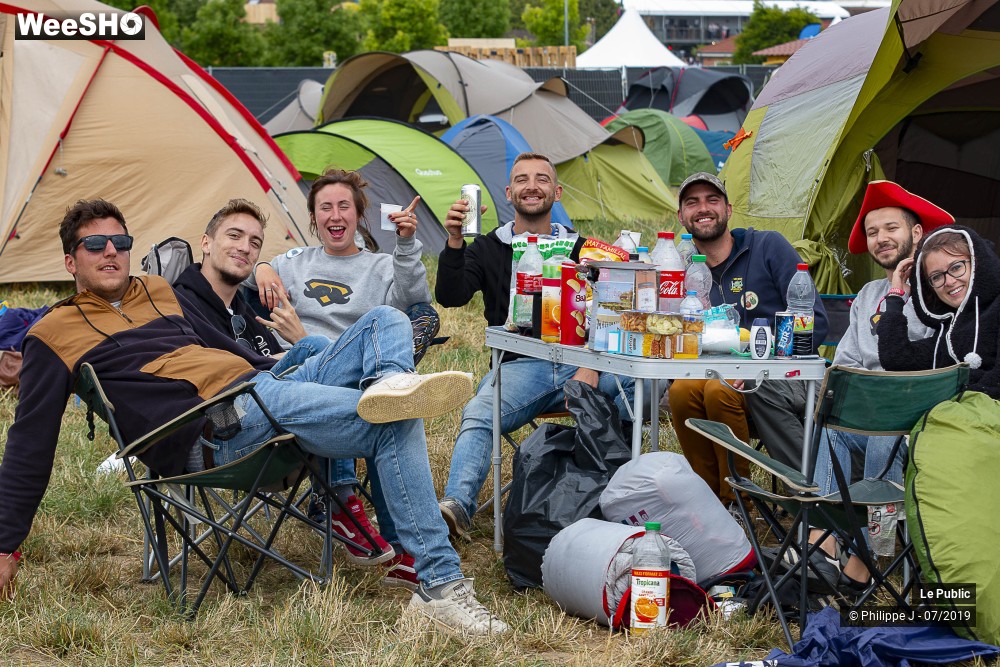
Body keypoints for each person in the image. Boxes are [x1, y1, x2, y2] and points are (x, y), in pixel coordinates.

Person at [0, 199, 508, 634]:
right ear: (70, 260)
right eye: (95, 245)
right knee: (393, 419)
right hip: (213, 427)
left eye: (120, 240)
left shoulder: (153, 290)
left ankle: (386, 380)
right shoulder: (53, 334)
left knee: (385, 320)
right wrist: (6, 546)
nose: (111, 252)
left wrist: (297, 360)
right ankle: (440, 589)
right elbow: (29, 444)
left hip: (261, 389)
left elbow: (216, 346)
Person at [172, 198, 400, 577]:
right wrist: (284, 359)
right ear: (206, 242)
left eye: (255, 242)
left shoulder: (244, 310)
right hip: (228, 426)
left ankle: (343, 496)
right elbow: (219, 371)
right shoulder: (180, 302)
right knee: (320, 354)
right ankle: (340, 500)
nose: (245, 247)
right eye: (234, 235)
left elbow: (272, 358)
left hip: (272, 407)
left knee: (317, 346)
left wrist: (292, 348)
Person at [434, 152, 635, 538]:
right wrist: (456, 240)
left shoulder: (584, 250)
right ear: (509, 193)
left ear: (556, 192)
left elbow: (614, 311)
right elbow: (450, 296)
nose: (532, 186)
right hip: (520, 367)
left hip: (584, 366)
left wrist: (591, 364)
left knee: (636, 388)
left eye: (542, 179)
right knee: (480, 410)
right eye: (522, 180)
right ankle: (457, 505)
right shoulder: (489, 247)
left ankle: (619, 500)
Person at [798, 181, 951, 591]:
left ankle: (871, 557)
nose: (881, 239)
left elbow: (934, 366)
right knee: (831, 431)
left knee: (884, 436)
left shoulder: (939, 292)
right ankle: (824, 545)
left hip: (917, 423)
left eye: (891, 228)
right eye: (872, 232)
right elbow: (846, 363)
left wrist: (904, 291)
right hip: (865, 415)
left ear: (916, 233)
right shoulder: (868, 294)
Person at [666, 172, 828, 505]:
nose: (703, 209)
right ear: (681, 216)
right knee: (680, 390)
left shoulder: (768, 247)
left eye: (712, 200)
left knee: (720, 388)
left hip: (780, 378)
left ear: (728, 208)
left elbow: (817, 323)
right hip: (707, 376)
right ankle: (710, 504)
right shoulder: (677, 267)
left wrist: (755, 360)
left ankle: (739, 500)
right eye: (692, 202)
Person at [879, 224, 1000, 398]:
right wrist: (896, 297)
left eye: (956, 267)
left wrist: (946, 389)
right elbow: (896, 359)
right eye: (936, 277)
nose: (949, 281)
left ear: (977, 263)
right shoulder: (947, 335)